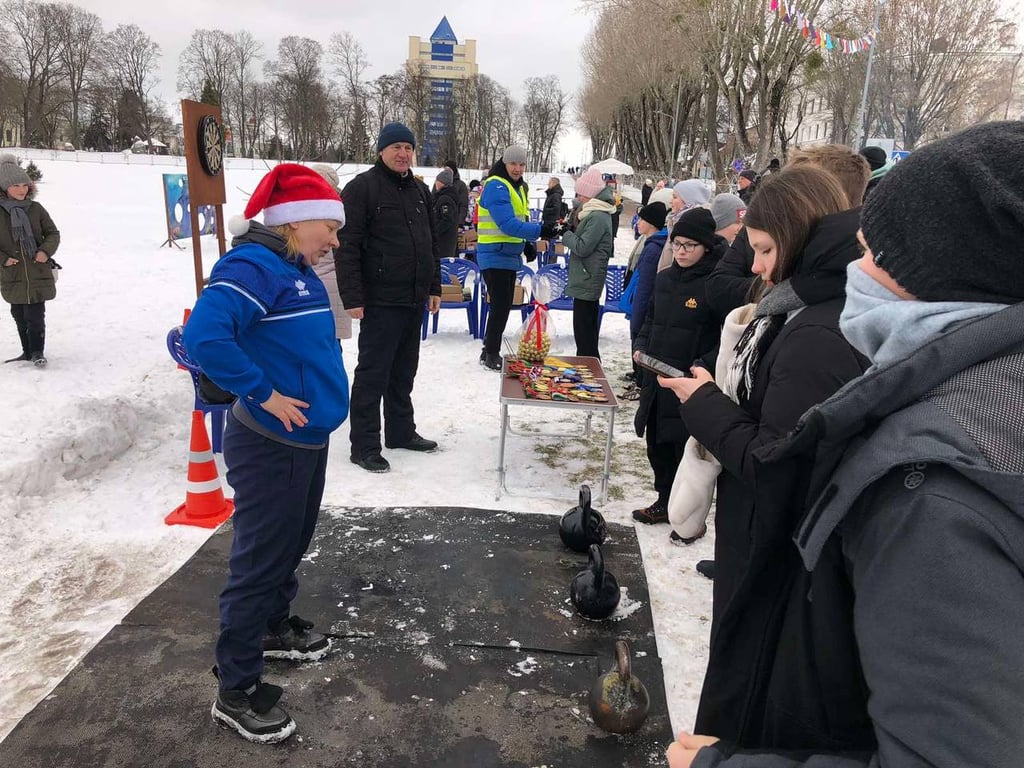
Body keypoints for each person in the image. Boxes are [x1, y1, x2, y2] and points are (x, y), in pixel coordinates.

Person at [664, 119, 1024, 768]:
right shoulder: (968, 405)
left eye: (876, 253)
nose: (853, 269)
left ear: (940, 273)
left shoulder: (937, 488)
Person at [658, 165, 871, 754]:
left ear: (801, 240)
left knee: (748, 693)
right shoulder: (798, 310)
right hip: (763, 542)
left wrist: (703, 406)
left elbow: (775, 459)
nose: (754, 266)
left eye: (765, 250)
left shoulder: (814, 334)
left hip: (774, 556)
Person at [182, 164, 349, 744]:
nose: (334, 238)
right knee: (258, 561)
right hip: (272, 444)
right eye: (329, 226)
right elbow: (204, 337)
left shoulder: (293, 267)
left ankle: (274, 627)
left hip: (307, 440)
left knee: (291, 543)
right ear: (294, 221)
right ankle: (236, 687)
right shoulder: (253, 265)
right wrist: (262, 391)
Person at [336, 122, 441, 473]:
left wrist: (434, 287)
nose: (403, 153)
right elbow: (346, 246)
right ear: (381, 150)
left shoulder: (420, 192)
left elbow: (429, 246)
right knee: (373, 373)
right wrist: (352, 296)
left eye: (408, 148)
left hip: (412, 298)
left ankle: (400, 432)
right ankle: (364, 444)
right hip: (379, 300)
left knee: (403, 371)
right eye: (396, 147)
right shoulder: (362, 189)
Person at [631, 207, 725, 526]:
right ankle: (663, 499)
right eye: (677, 244)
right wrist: (640, 346)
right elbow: (650, 319)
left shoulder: (715, 286)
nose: (681, 252)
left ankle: (688, 517)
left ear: (706, 247)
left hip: (689, 381)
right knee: (656, 441)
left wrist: (702, 365)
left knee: (684, 450)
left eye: (689, 246)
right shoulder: (665, 279)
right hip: (655, 376)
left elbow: (723, 338)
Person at [707, 145, 871, 318]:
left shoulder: (865, 271)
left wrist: (784, 286)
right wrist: (775, 286)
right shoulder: (765, 225)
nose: (786, 197)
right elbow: (717, 286)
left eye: (799, 186)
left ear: (833, 194)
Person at [476, 145, 543, 371]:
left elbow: (518, 219)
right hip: (494, 253)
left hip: (506, 253)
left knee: (501, 304)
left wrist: (526, 244)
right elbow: (506, 224)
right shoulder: (496, 185)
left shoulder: (518, 187)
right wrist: (539, 231)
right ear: (504, 163)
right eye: (513, 164)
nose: (517, 168)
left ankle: (488, 349)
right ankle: (492, 352)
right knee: (501, 305)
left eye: (522, 164)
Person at [0, 154, 60, 366]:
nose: (21, 189)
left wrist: (45, 251)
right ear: (4, 187)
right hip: (12, 274)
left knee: (35, 316)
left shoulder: (36, 209)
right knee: (18, 314)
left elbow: (53, 233)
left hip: (37, 272)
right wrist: (4, 260)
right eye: (15, 185)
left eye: (24, 184)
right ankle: (26, 351)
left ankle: (37, 352)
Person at [561, 167, 615, 358]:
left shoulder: (598, 216)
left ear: (592, 194)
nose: (579, 198)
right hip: (586, 275)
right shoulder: (594, 213)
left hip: (588, 276)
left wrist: (566, 235)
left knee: (584, 332)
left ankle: (589, 366)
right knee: (585, 331)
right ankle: (589, 364)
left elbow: (583, 247)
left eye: (582, 194)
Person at [621, 201, 669, 399]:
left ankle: (641, 382)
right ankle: (639, 378)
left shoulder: (652, 248)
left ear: (651, 223)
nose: (638, 222)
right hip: (641, 305)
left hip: (642, 307)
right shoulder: (652, 242)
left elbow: (645, 284)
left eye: (642, 219)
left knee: (640, 343)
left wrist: (637, 314)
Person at [309, 164, 352, 344]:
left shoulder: (308, 210)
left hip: (316, 282)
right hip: (337, 282)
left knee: (317, 345)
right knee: (333, 348)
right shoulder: (342, 208)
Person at [432, 167, 460, 260]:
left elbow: (447, 219)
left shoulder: (445, 199)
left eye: (437, 180)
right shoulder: (446, 196)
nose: (436, 183)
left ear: (442, 182)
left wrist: (435, 231)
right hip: (446, 240)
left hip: (444, 241)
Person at [442, 159, 469, 227]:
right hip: (441, 221)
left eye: (448, 169)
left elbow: (463, 205)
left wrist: (460, 223)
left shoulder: (461, 185)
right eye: (445, 169)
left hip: (454, 222)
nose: (446, 172)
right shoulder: (440, 182)